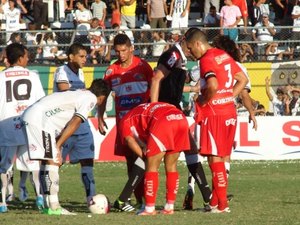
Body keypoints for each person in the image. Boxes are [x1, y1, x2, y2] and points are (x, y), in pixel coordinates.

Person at [22, 78, 110, 215]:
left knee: (47, 160)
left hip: (31, 115)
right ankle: (55, 206)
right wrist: (58, 145)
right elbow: (76, 121)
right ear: (102, 97)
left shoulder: (81, 93)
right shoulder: (91, 98)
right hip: (40, 120)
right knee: (53, 160)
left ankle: (47, 204)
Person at [184, 28, 248, 213]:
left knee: (215, 158)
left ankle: (222, 205)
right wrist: (228, 97)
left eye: (189, 48)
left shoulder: (206, 60)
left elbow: (212, 85)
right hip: (229, 112)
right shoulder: (223, 54)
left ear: (197, 43)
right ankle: (214, 203)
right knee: (220, 156)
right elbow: (242, 79)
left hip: (214, 114)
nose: (189, 52)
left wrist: (204, 100)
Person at [150, 32, 212, 211]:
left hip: (173, 109)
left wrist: (191, 87)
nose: (194, 50)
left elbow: (171, 84)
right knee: (159, 157)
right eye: (192, 45)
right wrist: (153, 109)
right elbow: (156, 79)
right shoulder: (174, 55)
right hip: (165, 112)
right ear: (186, 42)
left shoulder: (180, 57)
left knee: (188, 148)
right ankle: (207, 197)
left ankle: (208, 197)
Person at [97, 33, 153, 212]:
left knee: (146, 158)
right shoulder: (111, 71)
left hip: (142, 124)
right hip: (124, 123)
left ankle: (146, 198)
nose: (120, 54)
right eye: (117, 51)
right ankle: (136, 200)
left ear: (131, 49)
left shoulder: (143, 67)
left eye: (123, 50)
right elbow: (102, 95)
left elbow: (154, 89)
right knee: (131, 162)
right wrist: (100, 116)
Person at [118, 102, 190, 215]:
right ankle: (169, 207)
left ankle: (149, 208)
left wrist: (146, 157)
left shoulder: (124, 122)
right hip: (180, 117)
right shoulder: (140, 111)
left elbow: (129, 140)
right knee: (171, 165)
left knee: (151, 166)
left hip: (163, 121)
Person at [0, 43, 45, 213]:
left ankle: (2, 202)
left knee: (4, 167)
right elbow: (41, 103)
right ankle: (40, 198)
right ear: (20, 58)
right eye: (26, 56)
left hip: (5, 128)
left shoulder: (1, 77)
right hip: (27, 127)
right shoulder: (33, 76)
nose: (28, 59)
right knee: (33, 165)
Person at [52, 43, 97, 211]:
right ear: (71, 57)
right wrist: (86, 92)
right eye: (82, 56)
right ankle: (49, 198)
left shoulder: (81, 72)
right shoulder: (61, 71)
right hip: (64, 127)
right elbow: (65, 92)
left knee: (88, 163)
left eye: (86, 56)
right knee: (55, 163)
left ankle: (91, 199)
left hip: (82, 125)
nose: (85, 59)